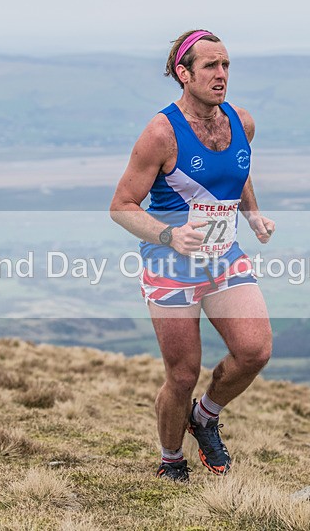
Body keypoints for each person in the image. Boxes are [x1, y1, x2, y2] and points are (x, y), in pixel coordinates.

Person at [110, 30, 275, 481]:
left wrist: (254, 215)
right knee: (182, 375)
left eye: (225, 66)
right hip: (171, 264)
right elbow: (121, 207)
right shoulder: (161, 133)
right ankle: (170, 460)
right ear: (184, 74)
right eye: (210, 67)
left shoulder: (242, 121)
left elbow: (235, 171)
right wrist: (169, 235)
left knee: (255, 350)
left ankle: (204, 416)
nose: (221, 75)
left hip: (223, 257)